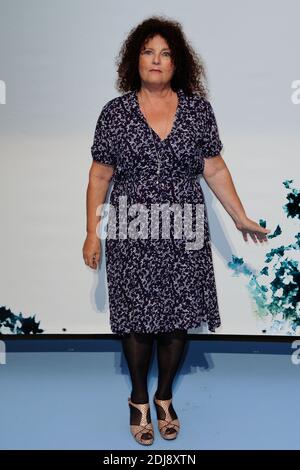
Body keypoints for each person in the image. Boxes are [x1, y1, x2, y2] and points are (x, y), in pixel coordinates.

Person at [82, 16, 270, 445]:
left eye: (165, 53)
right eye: (148, 52)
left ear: (177, 62)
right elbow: (98, 178)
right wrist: (92, 233)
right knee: (136, 321)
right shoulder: (115, 114)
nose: (156, 60)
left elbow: (214, 168)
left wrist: (240, 217)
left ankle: (164, 397)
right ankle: (138, 399)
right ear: (135, 60)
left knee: (176, 321)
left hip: (184, 232)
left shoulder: (198, 110)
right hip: (132, 231)